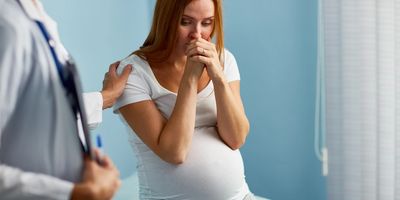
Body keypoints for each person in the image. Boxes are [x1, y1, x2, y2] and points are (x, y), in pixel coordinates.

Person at [114, 0, 255, 199]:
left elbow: (237, 138)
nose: (197, 34)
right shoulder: (133, 73)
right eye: (185, 21)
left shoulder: (224, 59)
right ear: (165, 21)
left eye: (207, 23)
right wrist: (190, 78)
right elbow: (174, 152)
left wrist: (218, 77)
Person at [0, 0, 130, 199]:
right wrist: (72, 193)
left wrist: (104, 98)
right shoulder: (7, 25)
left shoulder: (35, 19)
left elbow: (36, 116)